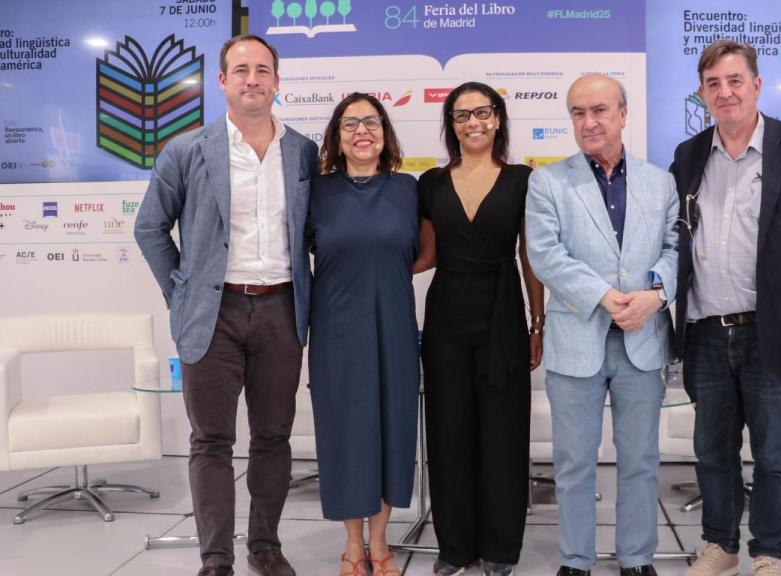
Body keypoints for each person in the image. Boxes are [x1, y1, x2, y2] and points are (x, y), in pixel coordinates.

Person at [134, 34, 318, 576]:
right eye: (241, 70)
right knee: (211, 440)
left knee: (274, 436)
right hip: (211, 317)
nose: (253, 79)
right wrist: (182, 291)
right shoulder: (187, 150)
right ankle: (215, 558)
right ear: (222, 81)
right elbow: (150, 228)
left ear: (278, 81)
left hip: (282, 312)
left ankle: (264, 546)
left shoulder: (303, 151)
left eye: (263, 70)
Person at [670, 40, 781, 576]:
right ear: (702, 94)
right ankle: (720, 546)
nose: (725, 93)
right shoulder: (689, 155)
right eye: (714, 84)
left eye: (735, 81)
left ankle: (769, 553)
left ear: (757, 85)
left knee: (773, 455)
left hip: (777, 331)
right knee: (712, 451)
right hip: (704, 332)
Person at [525, 74, 678, 576]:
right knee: (573, 465)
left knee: (639, 461)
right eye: (577, 113)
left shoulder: (661, 181)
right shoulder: (547, 181)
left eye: (599, 110)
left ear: (623, 113)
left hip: (642, 339)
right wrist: (608, 297)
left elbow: (678, 250)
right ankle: (575, 560)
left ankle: (636, 558)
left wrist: (655, 295)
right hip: (577, 339)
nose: (588, 122)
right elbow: (546, 255)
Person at [415, 81, 545, 576]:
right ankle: (456, 547)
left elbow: (529, 257)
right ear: (451, 124)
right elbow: (425, 256)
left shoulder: (522, 179)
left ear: (498, 119)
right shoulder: (429, 183)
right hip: (446, 312)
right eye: (462, 115)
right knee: (448, 431)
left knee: (503, 433)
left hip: (502, 313)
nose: (474, 122)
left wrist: (537, 322)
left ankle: (500, 548)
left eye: (483, 112)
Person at [306, 93, 419, 576]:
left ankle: (381, 541)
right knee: (346, 435)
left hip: (394, 322)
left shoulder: (409, 188)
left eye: (371, 122)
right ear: (336, 136)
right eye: (350, 124)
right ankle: (353, 544)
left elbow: (426, 251)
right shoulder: (316, 190)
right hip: (336, 328)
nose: (361, 132)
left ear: (385, 132)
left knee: (394, 428)